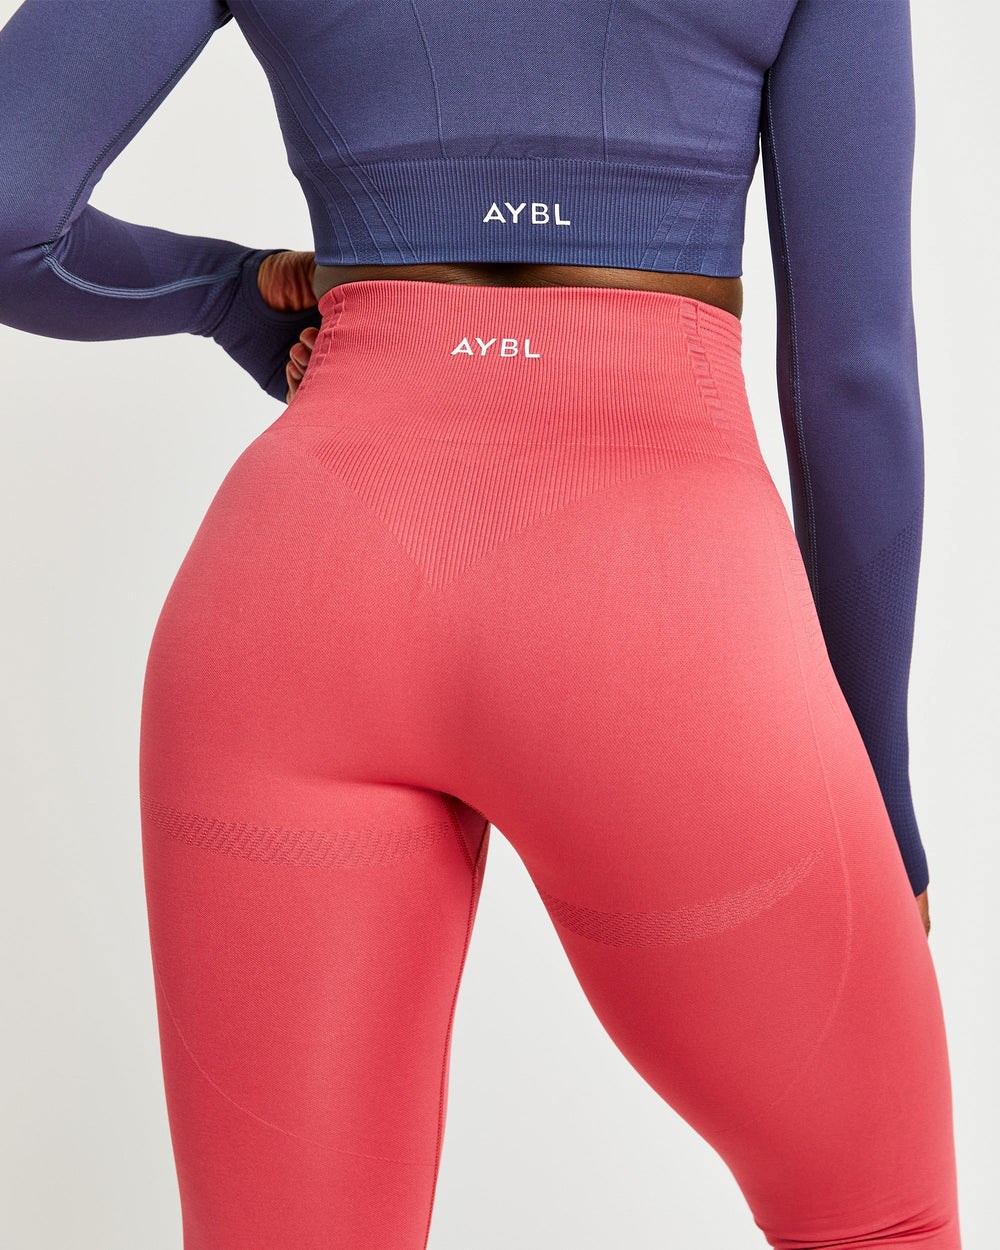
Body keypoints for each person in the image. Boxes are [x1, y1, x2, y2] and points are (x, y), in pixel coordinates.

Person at [0, 1, 960, 1246]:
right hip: (660, 609)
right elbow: (851, 374)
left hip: (306, 589)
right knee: (880, 1222)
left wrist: (234, 298)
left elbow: (14, 215)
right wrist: (880, 797)